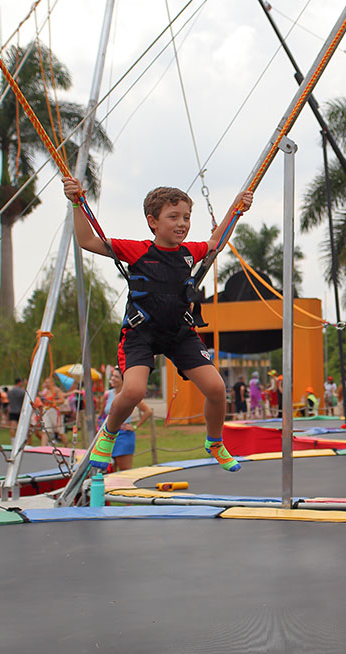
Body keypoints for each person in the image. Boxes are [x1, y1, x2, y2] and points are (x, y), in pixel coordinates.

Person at [63, 175, 252, 472]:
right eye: (173, 217)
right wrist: (77, 203)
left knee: (217, 389)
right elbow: (87, 241)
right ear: (152, 222)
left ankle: (214, 442)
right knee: (133, 391)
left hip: (180, 334)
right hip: (141, 333)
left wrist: (236, 209)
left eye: (186, 217)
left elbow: (216, 241)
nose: (182, 223)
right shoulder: (137, 250)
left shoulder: (189, 253)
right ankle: (109, 433)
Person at [98, 368, 153, 471]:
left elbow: (148, 411)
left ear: (124, 380)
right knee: (108, 470)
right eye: (112, 376)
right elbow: (101, 415)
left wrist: (135, 426)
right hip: (108, 435)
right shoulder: (107, 395)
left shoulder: (129, 395)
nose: (112, 379)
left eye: (116, 377)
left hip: (123, 435)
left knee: (125, 470)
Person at [38, 376, 69, 446]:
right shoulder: (45, 391)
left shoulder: (56, 390)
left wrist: (52, 402)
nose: (46, 384)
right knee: (45, 430)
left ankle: (67, 446)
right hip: (46, 411)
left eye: (48, 382)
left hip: (54, 411)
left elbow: (62, 400)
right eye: (46, 382)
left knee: (60, 431)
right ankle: (43, 447)